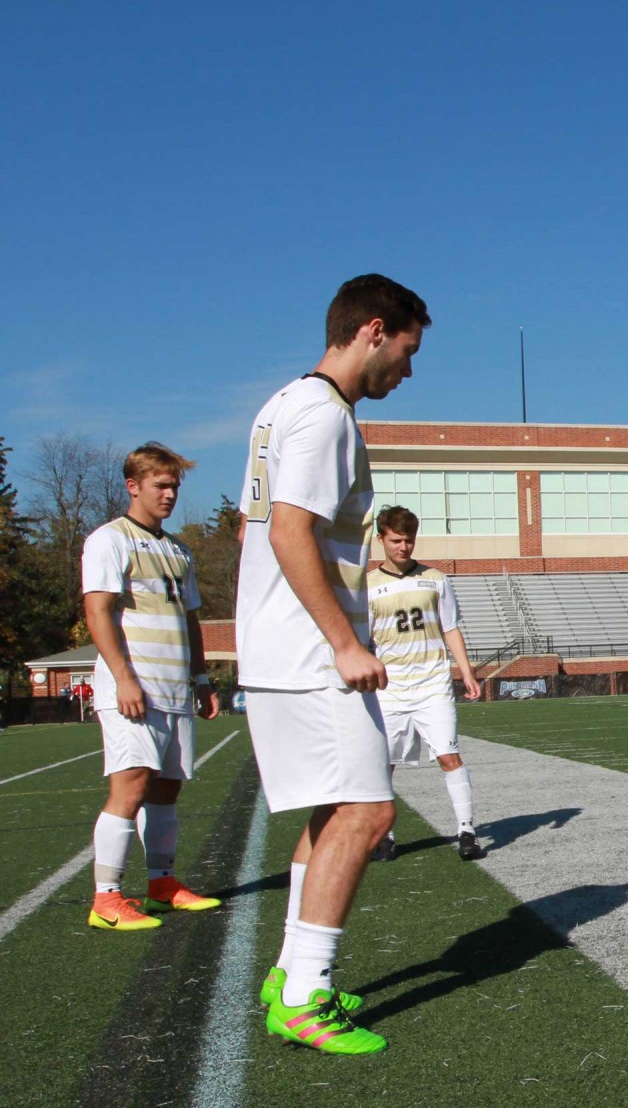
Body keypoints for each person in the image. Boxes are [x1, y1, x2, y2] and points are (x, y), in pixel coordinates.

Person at [240, 273, 429, 1055]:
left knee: (333, 809)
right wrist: (345, 642)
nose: (408, 372)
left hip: (286, 647)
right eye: (408, 353)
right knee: (368, 813)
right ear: (374, 331)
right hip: (312, 652)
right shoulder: (324, 416)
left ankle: (292, 976)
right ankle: (306, 996)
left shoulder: (283, 403)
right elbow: (290, 532)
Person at [79, 443, 224, 931]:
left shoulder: (178, 550)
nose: (169, 495)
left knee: (166, 789)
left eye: (175, 487)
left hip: (174, 688)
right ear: (133, 486)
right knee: (132, 785)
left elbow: (190, 620)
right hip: (133, 686)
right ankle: (107, 898)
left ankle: (162, 885)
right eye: (161, 485)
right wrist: (123, 678)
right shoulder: (109, 539)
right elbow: (97, 611)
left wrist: (202, 681)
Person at [366, 505, 485, 863]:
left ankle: (466, 831)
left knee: (449, 756)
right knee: (383, 763)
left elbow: (450, 627)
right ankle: (384, 835)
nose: (403, 547)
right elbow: (361, 638)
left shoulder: (436, 578)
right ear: (381, 539)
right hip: (389, 687)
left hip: (432, 683)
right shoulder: (367, 585)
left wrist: (466, 671)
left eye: (409, 540)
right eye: (396, 540)